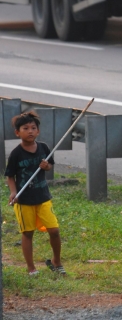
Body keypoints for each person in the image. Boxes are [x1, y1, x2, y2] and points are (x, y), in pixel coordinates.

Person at [5, 111, 66, 276]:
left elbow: (49, 166)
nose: (30, 131)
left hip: (43, 197)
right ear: (17, 132)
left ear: (38, 131)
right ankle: (31, 268)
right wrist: (13, 192)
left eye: (33, 128)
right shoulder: (16, 154)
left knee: (54, 230)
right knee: (27, 233)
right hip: (24, 200)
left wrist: (46, 166)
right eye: (25, 128)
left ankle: (56, 261)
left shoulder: (44, 147)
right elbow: (10, 175)